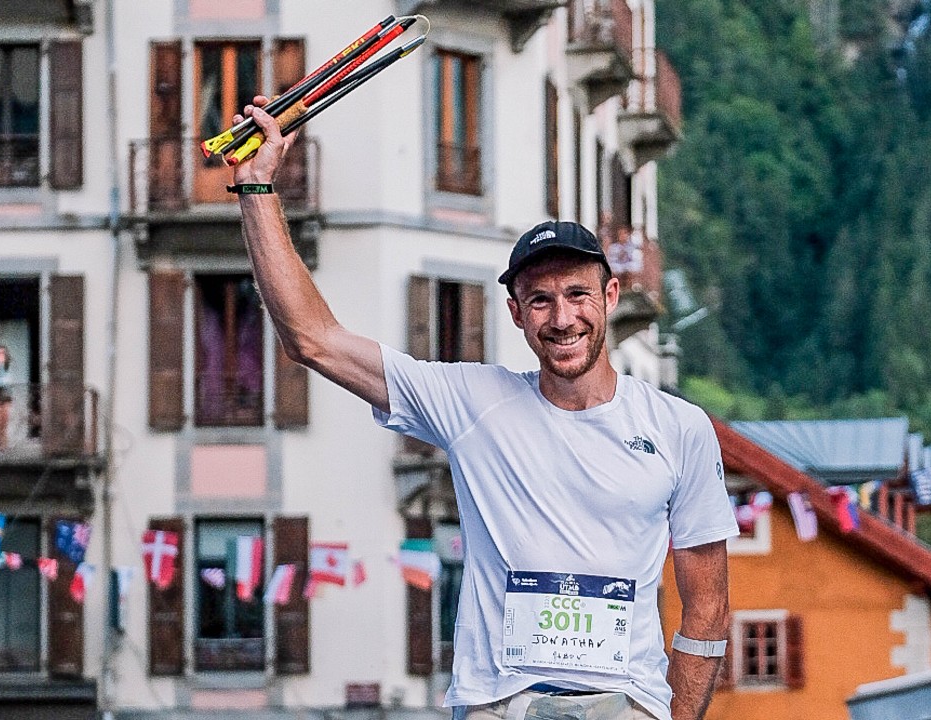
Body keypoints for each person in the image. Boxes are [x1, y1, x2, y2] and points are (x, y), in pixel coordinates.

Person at [230, 95, 737, 720]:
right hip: (501, 704)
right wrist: (256, 187)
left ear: (609, 296)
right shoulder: (473, 401)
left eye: (578, 294)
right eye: (541, 300)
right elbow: (312, 339)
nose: (562, 318)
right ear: (516, 313)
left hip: (625, 704)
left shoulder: (679, 428)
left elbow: (707, 605)